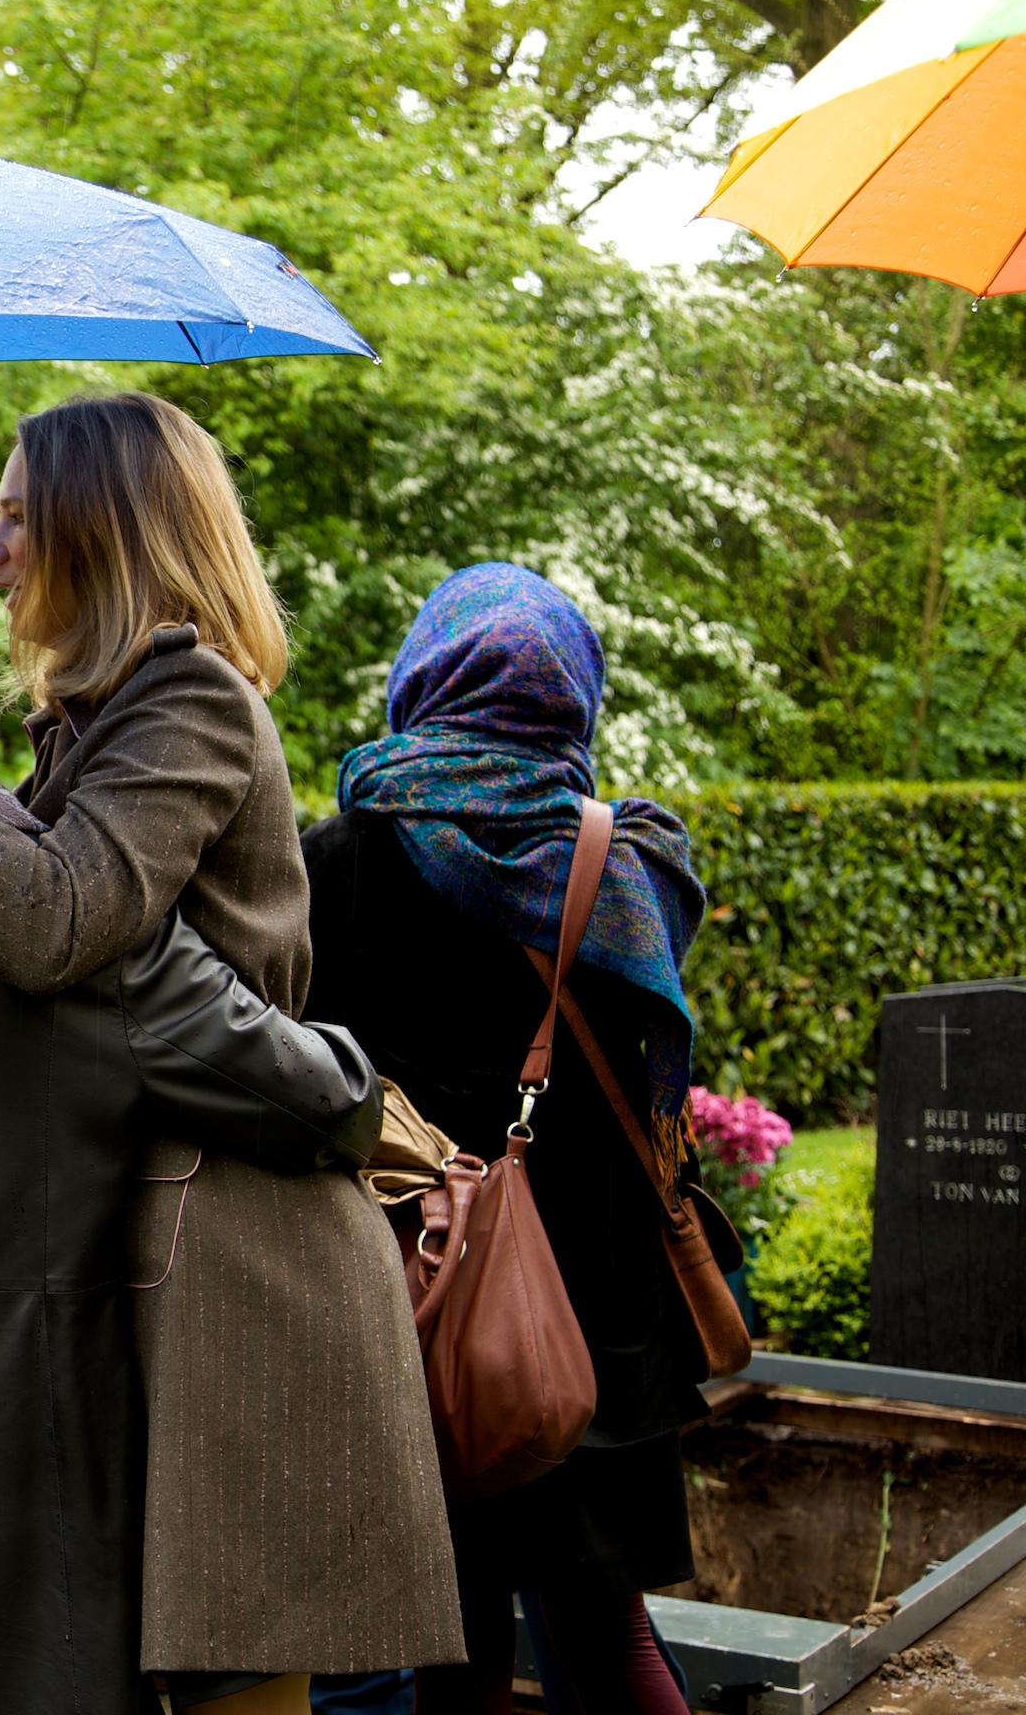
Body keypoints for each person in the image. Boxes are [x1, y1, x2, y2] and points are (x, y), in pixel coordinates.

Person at [0, 391, 459, 1710]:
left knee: (237, 1676)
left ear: (99, 535)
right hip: (179, 1226)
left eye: (15, 520)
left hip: (245, 1253)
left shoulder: (190, 700)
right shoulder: (100, 718)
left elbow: (58, 926)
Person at [304, 562, 710, 1715]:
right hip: (599, 1323)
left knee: (452, 1640)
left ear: (427, 679)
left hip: (417, 1302)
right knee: (608, 1633)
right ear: (570, 695)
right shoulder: (630, 865)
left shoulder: (341, 860)